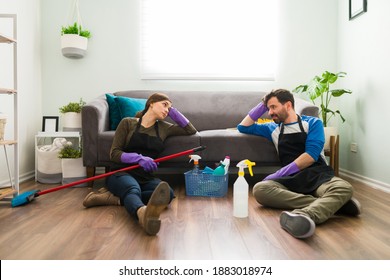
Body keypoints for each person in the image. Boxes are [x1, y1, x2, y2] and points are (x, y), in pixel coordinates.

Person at [237, 89, 361, 239]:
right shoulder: (272, 128)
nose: (270, 112)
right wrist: (263, 104)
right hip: (291, 179)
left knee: (344, 187)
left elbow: (310, 156)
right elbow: (243, 127)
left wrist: (277, 174)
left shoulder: (313, 123)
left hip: (317, 175)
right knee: (260, 190)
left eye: (273, 107)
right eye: (268, 108)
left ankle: (304, 214)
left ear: (288, 105)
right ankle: (335, 205)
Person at [83, 92, 197, 235]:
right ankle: (141, 213)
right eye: (164, 105)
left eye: (170, 108)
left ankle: (114, 198)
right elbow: (114, 153)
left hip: (145, 177)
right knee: (132, 189)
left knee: (167, 193)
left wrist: (173, 112)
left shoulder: (164, 127)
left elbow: (190, 130)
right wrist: (138, 158)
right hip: (121, 172)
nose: (167, 110)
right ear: (151, 103)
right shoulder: (128, 123)